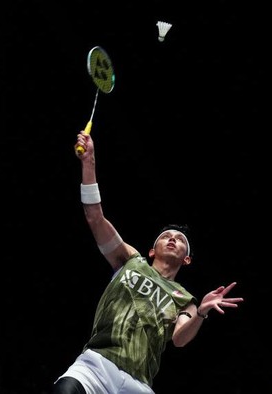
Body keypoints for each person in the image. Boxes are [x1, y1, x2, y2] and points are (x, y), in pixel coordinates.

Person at [52, 130, 244, 394]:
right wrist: (89, 162)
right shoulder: (129, 260)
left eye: (180, 239)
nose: (173, 239)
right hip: (96, 363)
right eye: (166, 236)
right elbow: (95, 217)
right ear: (152, 251)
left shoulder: (184, 298)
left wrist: (201, 312)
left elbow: (179, 339)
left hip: (138, 384)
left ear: (186, 259)